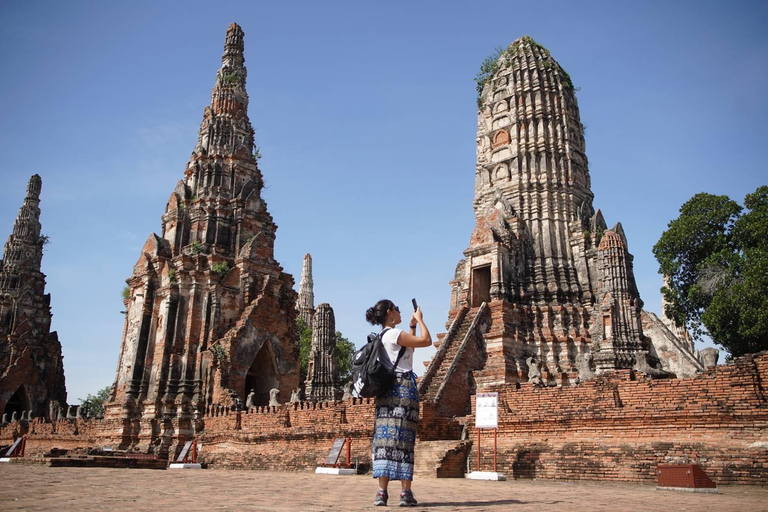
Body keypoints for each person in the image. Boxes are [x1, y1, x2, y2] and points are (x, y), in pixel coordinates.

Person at [366, 299, 432, 507]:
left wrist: (411, 325)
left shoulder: (382, 336)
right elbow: (426, 341)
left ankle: (381, 493)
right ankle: (405, 492)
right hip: (403, 390)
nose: (399, 311)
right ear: (389, 312)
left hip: (385, 392)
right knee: (404, 440)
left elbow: (408, 349)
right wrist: (421, 321)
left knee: (384, 441)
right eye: (396, 309)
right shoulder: (395, 334)